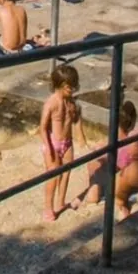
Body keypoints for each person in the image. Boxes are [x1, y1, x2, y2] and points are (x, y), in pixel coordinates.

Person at [40, 65, 86, 221]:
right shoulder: (51, 103)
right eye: (69, 87)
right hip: (53, 142)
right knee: (53, 176)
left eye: (74, 86)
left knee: (66, 171)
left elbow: (76, 118)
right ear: (59, 85)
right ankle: (48, 207)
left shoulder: (71, 102)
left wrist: (81, 138)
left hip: (67, 142)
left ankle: (60, 202)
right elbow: (43, 127)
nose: (72, 90)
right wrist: (49, 147)